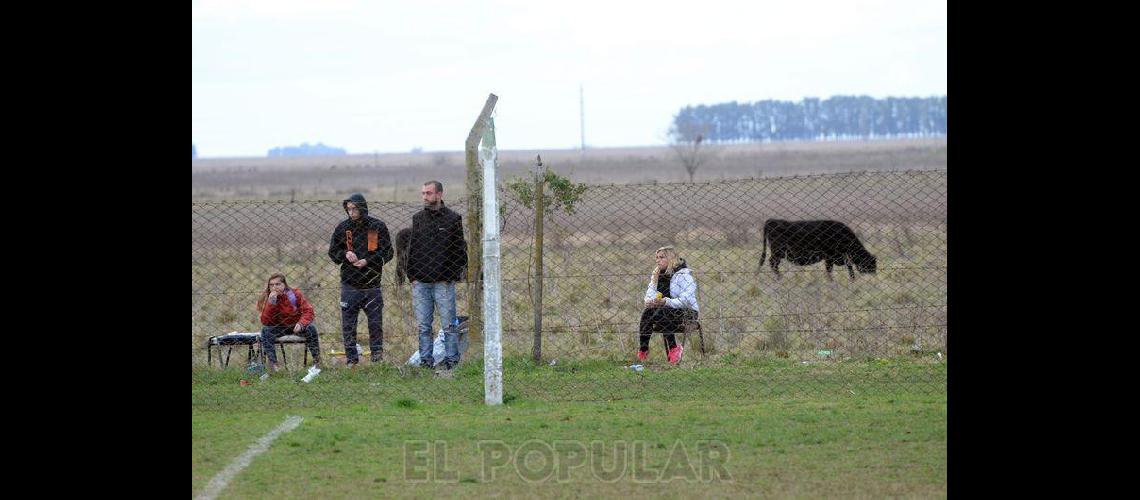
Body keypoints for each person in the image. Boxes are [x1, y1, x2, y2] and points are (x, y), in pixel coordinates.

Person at [406, 180, 467, 372]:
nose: (425, 197)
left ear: (439, 194)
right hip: (421, 282)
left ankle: (451, 362)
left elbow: (460, 252)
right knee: (424, 326)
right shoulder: (418, 219)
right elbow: (412, 249)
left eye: (429, 193)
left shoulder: (453, 219)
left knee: (449, 325)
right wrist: (412, 277)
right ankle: (426, 363)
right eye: (423, 193)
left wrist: (450, 276)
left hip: (443, 282)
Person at [328, 193, 394, 365]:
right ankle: (352, 361)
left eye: (354, 208)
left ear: (362, 207)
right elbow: (333, 252)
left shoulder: (376, 226)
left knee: (375, 324)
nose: (351, 212)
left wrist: (367, 260)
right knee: (348, 325)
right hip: (349, 284)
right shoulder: (343, 228)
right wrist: (345, 254)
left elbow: (388, 252)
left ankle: (377, 360)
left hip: (372, 283)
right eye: (348, 209)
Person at [639, 246, 700, 364]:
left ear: (671, 258)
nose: (658, 260)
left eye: (661, 257)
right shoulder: (657, 274)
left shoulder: (684, 275)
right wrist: (649, 301)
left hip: (687, 311)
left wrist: (666, 301)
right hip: (664, 312)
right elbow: (650, 293)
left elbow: (686, 300)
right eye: (656, 258)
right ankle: (643, 350)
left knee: (663, 311)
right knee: (647, 312)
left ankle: (673, 348)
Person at [257, 273, 321, 371]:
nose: (274, 287)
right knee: (266, 330)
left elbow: (308, 311)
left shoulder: (295, 294)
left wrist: (301, 323)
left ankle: (317, 361)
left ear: (284, 285)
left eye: (277, 284)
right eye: (271, 285)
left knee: (311, 328)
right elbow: (265, 321)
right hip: (280, 327)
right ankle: (273, 365)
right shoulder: (269, 298)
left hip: (297, 326)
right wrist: (271, 303)